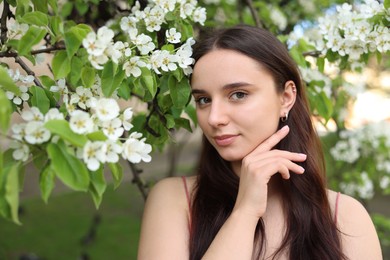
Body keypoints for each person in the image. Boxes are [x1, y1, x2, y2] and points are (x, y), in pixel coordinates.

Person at [137, 25, 382, 260]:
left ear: (286, 97)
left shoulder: (344, 217)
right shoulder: (175, 201)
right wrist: (245, 212)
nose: (214, 118)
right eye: (203, 100)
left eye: (238, 95)